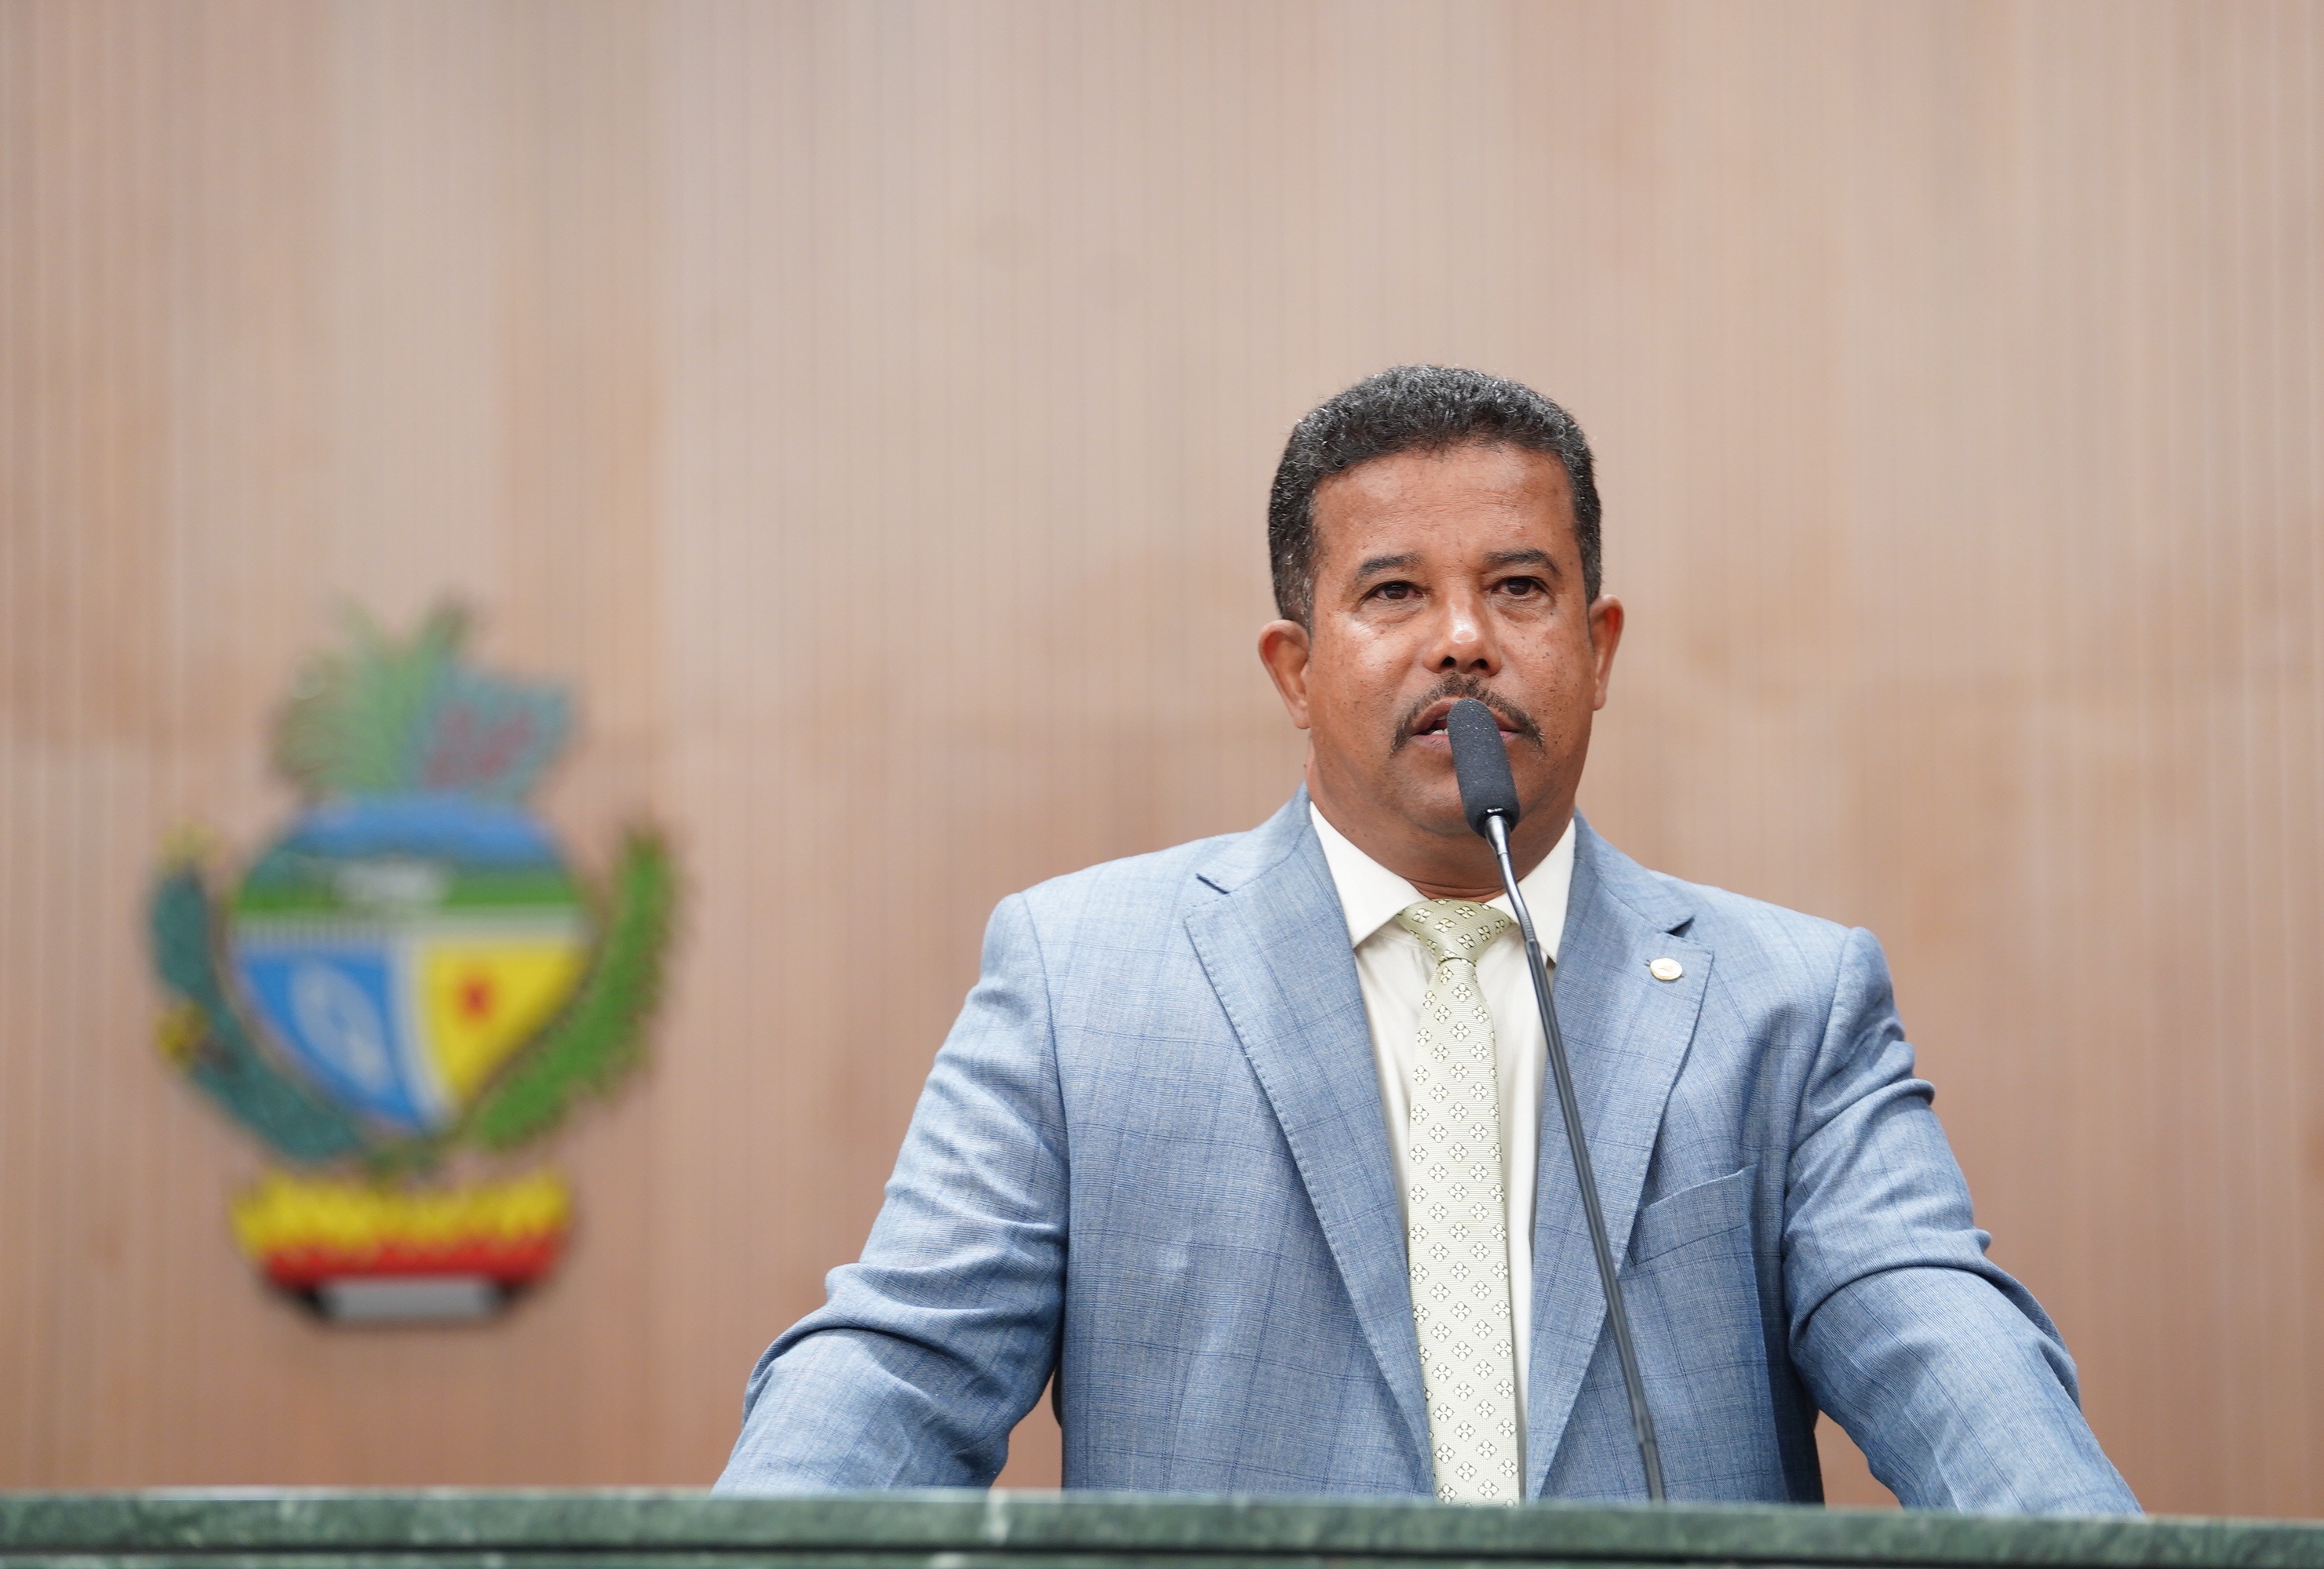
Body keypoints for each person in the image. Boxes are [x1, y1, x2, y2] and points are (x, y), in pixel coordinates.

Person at [716, 366, 2137, 1511]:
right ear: (1295, 667)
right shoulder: (1083, 980)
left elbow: (1950, 1358)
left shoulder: (1789, 1002)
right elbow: (900, 1372)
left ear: (1599, 647)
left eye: (1520, 588)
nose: (1464, 639)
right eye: (1394, 592)